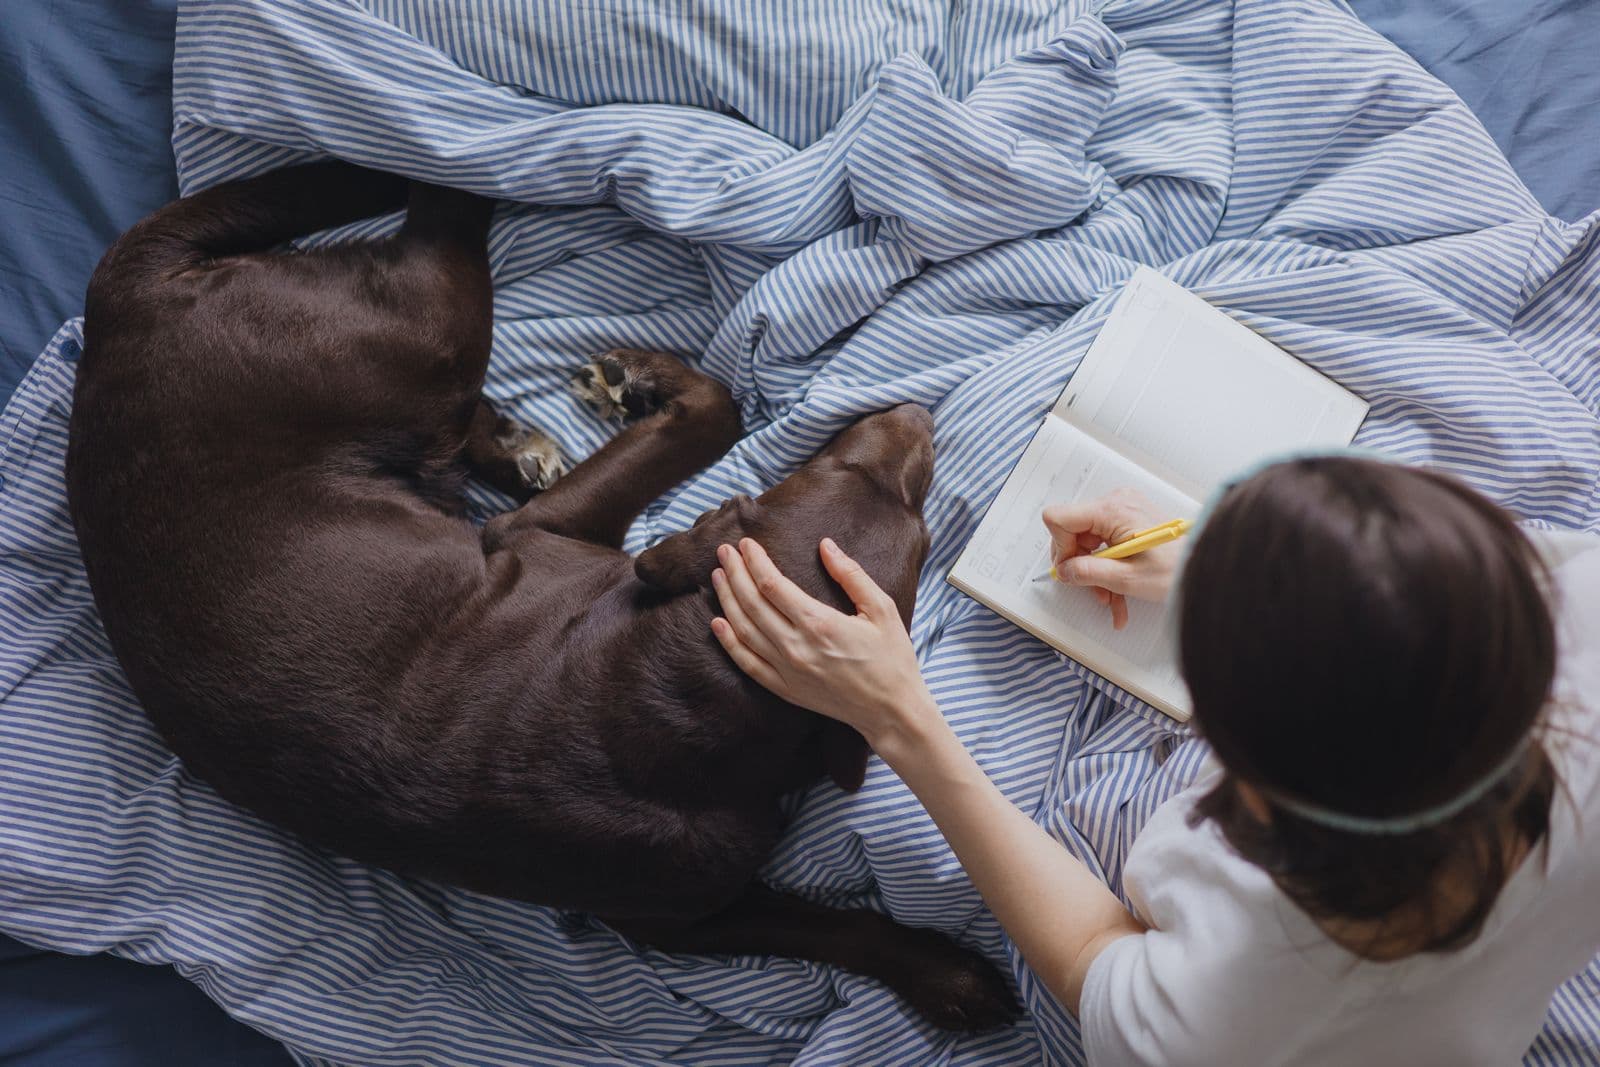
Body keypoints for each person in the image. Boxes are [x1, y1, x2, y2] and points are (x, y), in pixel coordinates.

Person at [706, 454, 1600, 1065]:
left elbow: (1097, 952)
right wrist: (1233, 567)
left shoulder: (1240, 1016)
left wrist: (899, 718)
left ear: (1249, 778)